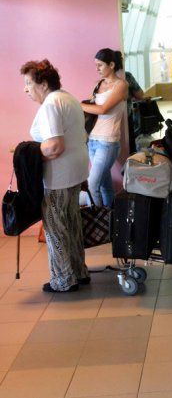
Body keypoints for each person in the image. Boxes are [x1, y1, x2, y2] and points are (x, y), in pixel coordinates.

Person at [21, 59, 90, 292]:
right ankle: (78, 271)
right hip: (75, 170)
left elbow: (54, 146)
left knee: (54, 225)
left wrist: (25, 150)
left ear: (43, 83)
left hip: (59, 176)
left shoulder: (51, 104)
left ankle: (62, 280)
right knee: (71, 223)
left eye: (29, 83)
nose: (26, 89)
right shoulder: (67, 97)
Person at [81, 48, 128, 207]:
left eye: (100, 65)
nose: (97, 69)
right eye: (96, 65)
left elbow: (102, 109)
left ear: (112, 64)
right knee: (104, 185)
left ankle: (97, 222)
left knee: (92, 185)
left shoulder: (121, 85)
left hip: (108, 142)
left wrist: (78, 105)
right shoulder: (99, 85)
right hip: (92, 140)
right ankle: (110, 223)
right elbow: (92, 110)